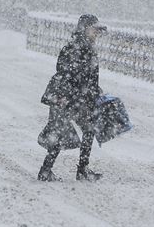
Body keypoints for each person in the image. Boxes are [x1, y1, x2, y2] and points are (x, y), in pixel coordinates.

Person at [38, 14, 107, 182]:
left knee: (84, 130)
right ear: (84, 29)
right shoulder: (76, 47)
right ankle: (48, 171)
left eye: (98, 30)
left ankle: (76, 169)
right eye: (94, 29)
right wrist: (71, 93)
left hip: (76, 97)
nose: (96, 33)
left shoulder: (86, 47)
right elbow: (65, 72)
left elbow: (87, 76)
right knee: (62, 133)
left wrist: (95, 90)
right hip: (69, 98)